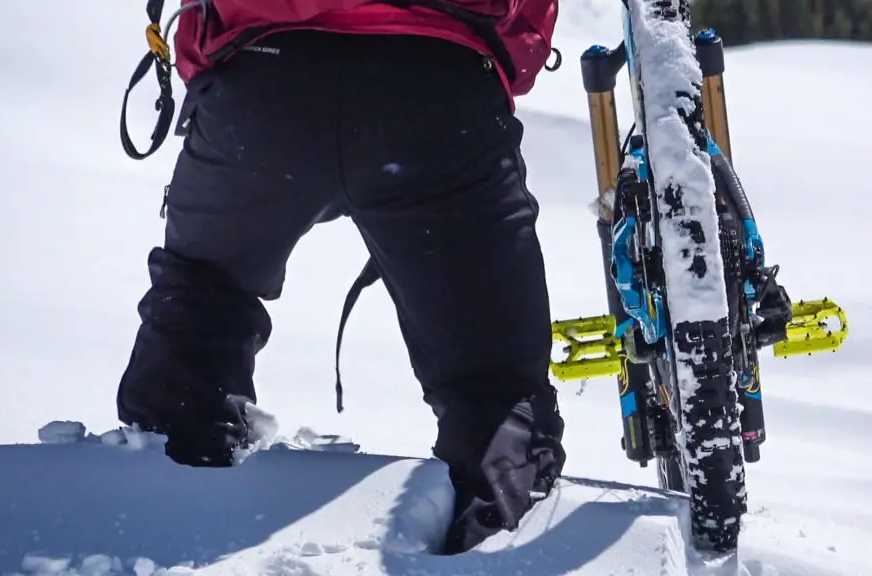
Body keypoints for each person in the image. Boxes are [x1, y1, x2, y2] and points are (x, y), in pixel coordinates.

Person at [115, 0, 566, 555]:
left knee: (199, 309)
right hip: (440, 90)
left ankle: (151, 530)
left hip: (259, 85)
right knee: (494, 382)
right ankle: (504, 546)